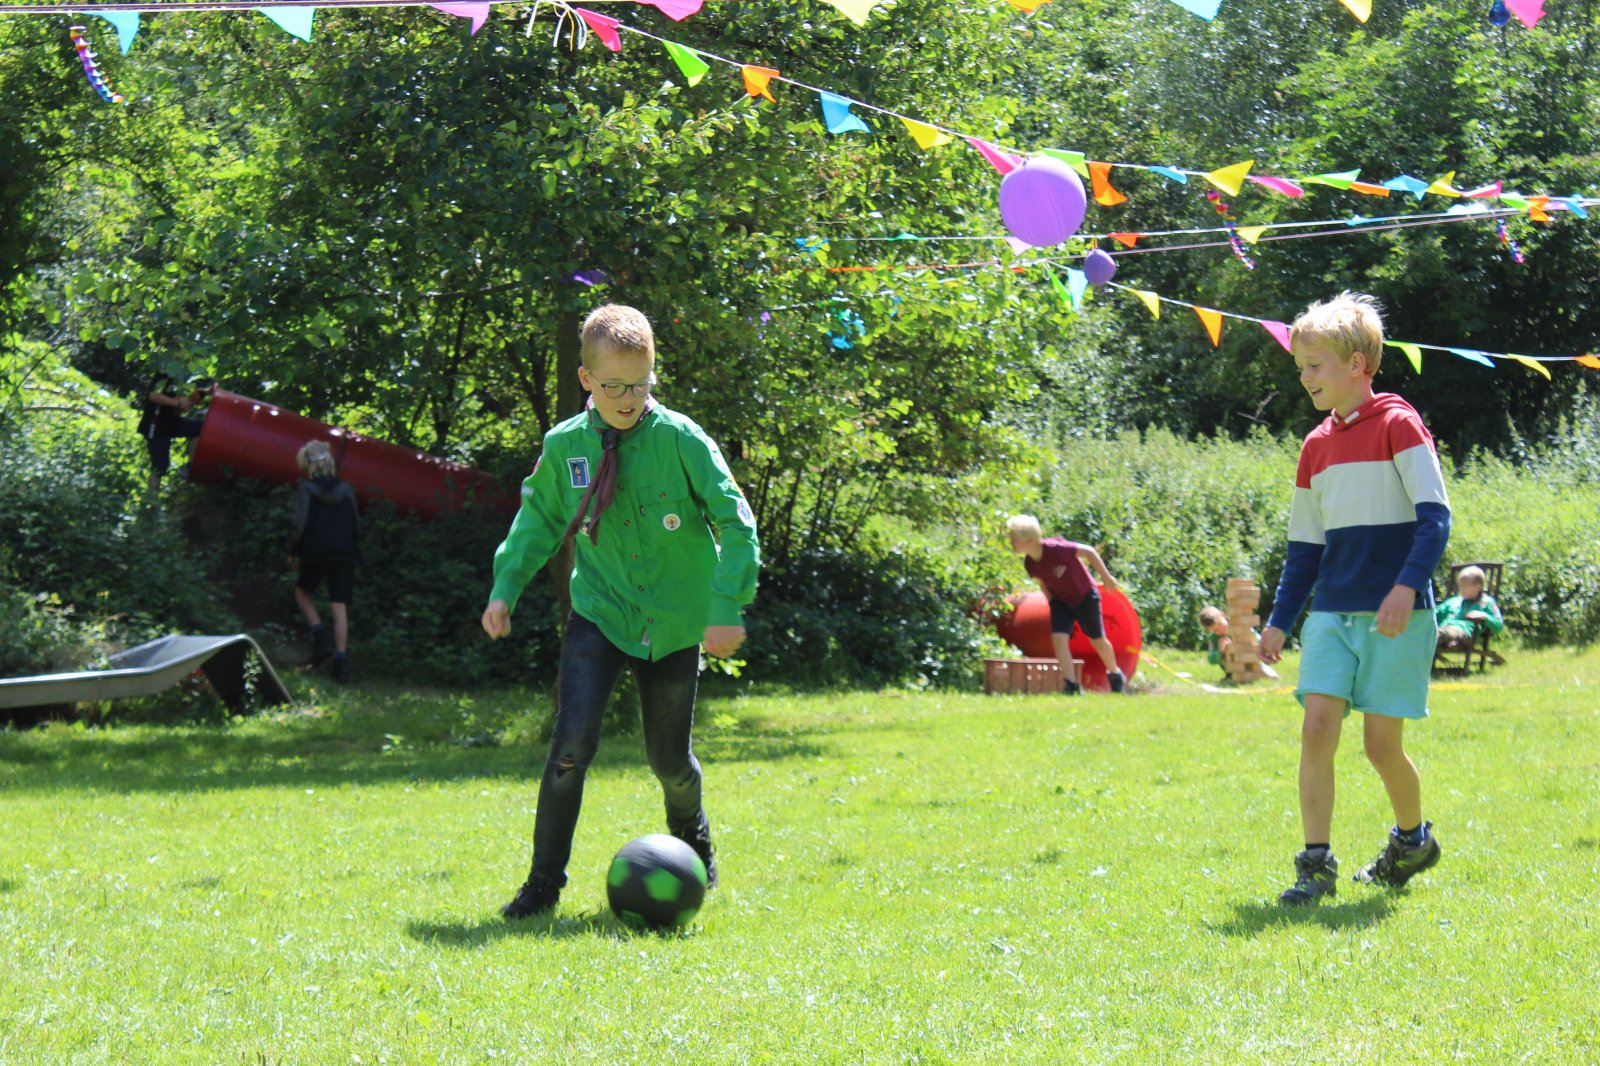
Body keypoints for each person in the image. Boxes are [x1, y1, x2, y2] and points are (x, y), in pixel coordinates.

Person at [483, 303, 760, 920]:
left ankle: (693, 841)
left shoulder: (681, 439)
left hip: (675, 623)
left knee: (669, 761)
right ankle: (542, 887)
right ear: (586, 380)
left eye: (640, 384)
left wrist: (724, 605)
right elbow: (538, 523)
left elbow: (735, 522)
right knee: (569, 747)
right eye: (613, 386)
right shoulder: (566, 448)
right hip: (601, 613)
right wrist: (505, 589)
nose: (629, 398)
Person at [1258, 291, 1451, 906]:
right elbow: (1304, 549)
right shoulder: (1314, 447)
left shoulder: (1400, 425)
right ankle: (1315, 864)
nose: (1305, 377)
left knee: (1379, 745)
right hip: (1333, 613)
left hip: (1398, 615)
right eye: (1300, 367)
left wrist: (1404, 587)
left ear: (1358, 365)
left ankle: (1412, 840)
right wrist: (1280, 621)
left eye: (1315, 365)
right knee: (1318, 727)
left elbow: (1435, 519)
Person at [1005, 515, 1128, 694]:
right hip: (1060, 602)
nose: (1011, 542)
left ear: (1029, 540)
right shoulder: (1029, 564)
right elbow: (1042, 583)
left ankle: (1115, 675)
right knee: (1058, 639)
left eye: (1014, 539)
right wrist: (1052, 603)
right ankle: (1071, 685)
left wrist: (1106, 578)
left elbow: (1089, 552)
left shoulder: (1056, 549)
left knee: (1097, 640)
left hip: (1085, 596)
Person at [287, 440, 361, 683]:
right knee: (339, 607)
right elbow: (355, 523)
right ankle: (341, 664)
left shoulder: (307, 489)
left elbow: (300, 524)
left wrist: (293, 550)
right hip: (343, 552)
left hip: (316, 552)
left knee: (302, 592)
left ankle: (320, 639)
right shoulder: (346, 489)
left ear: (308, 465)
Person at [137, 374, 209, 499]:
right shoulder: (164, 373)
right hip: (156, 426)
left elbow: (188, 399)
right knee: (160, 467)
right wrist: (177, 403)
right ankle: (151, 502)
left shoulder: (185, 374)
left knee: (199, 428)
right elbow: (153, 395)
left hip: (171, 423)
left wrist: (207, 392)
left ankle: (189, 467)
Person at [1199, 605, 1279, 681]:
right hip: (1232, 668)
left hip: (1251, 662)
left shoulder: (1237, 626)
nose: (1220, 630)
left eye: (1220, 625)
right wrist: (1220, 651)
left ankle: (1259, 670)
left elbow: (1257, 639)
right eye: (1215, 630)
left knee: (1271, 676)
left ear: (1222, 615)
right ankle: (1232, 675)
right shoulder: (1214, 638)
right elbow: (1211, 660)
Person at [1434, 566, 1504, 652]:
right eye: (1460, 586)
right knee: (1428, 633)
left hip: (1464, 633)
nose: (1461, 590)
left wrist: (1484, 616)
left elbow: (1499, 625)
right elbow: (1433, 615)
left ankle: (1437, 639)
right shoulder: (1454, 601)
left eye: (1465, 586)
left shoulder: (1486, 602)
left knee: (1440, 634)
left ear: (1478, 587)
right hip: (1444, 629)